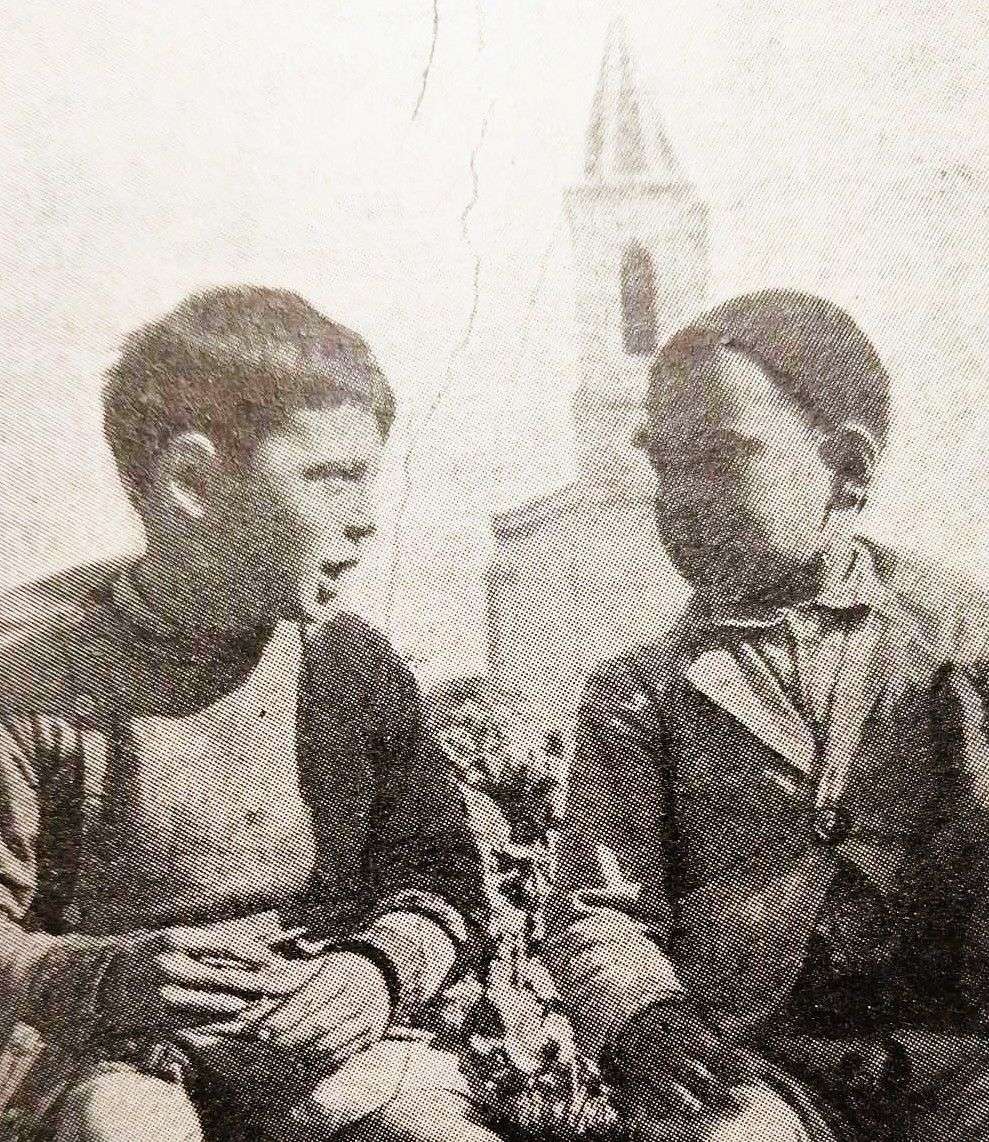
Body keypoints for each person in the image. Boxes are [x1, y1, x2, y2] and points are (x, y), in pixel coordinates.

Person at [0, 286, 501, 1142]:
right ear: (192, 482)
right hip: (106, 1054)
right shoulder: (32, 672)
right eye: (333, 477)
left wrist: (376, 969)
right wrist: (109, 977)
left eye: (370, 476)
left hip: (317, 1048)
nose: (368, 517)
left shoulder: (349, 667)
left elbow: (441, 878)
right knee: (125, 1125)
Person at [545, 289, 989, 1142]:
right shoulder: (641, 689)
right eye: (663, 465)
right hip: (753, 1063)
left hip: (958, 1054)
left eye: (717, 460)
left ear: (846, 468)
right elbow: (597, 904)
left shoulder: (959, 636)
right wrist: (646, 1014)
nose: (676, 499)